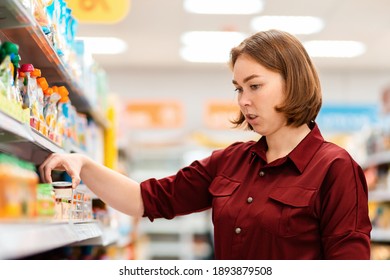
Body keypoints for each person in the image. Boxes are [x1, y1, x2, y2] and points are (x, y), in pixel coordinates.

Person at [39, 29, 372, 260]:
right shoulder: (231, 162)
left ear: (293, 82)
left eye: (255, 86)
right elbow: (146, 199)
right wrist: (83, 163)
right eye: (239, 89)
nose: (243, 100)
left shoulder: (335, 168)